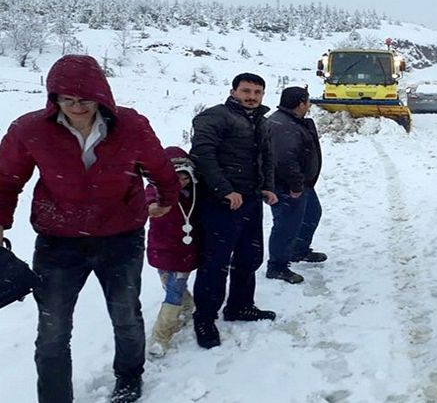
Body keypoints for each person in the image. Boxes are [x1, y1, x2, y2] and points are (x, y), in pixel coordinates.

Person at [0, 55, 180, 403]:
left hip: (121, 237)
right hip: (58, 241)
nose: (76, 106)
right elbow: (6, 180)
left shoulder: (131, 125)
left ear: (102, 95)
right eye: (66, 99)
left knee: (126, 316)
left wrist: (166, 198)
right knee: (52, 330)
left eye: (84, 98)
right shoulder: (30, 130)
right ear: (53, 98)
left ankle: (129, 378)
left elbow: (160, 167)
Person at [189, 72, 279, 349]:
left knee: (249, 257)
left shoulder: (261, 122)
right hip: (221, 203)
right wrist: (224, 190)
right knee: (215, 263)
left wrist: (268, 186)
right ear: (233, 91)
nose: (251, 97)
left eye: (257, 92)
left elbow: (266, 157)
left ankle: (240, 305)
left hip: (250, 200)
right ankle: (204, 318)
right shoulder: (215, 117)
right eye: (246, 91)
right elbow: (203, 155)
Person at [265, 86, 326, 285]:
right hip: (287, 185)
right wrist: (296, 185)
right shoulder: (284, 126)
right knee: (286, 225)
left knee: (311, 214)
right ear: (301, 104)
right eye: (307, 102)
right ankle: (277, 266)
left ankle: (298, 251)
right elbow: (284, 160)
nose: (309, 106)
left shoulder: (289, 121)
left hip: (301, 183)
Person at [145, 147, 200, 358]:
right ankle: (187, 307)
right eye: (176, 177)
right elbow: (147, 200)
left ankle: (160, 337)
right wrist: (152, 206)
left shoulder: (195, 195)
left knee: (173, 290)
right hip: (161, 249)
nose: (182, 182)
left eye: (186, 177)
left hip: (183, 251)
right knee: (168, 282)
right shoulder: (156, 190)